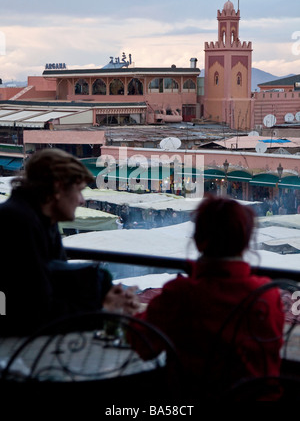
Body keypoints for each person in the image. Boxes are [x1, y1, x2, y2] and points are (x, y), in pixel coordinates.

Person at [133, 195, 284, 397]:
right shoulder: (268, 294)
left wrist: (127, 311)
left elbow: (144, 346)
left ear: (198, 240)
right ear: (246, 242)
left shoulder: (180, 294)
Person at [0, 149, 139, 336]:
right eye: (79, 191)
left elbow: (58, 283)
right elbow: (34, 310)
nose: (82, 201)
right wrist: (102, 307)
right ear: (58, 188)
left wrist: (106, 292)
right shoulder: (19, 223)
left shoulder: (41, 220)